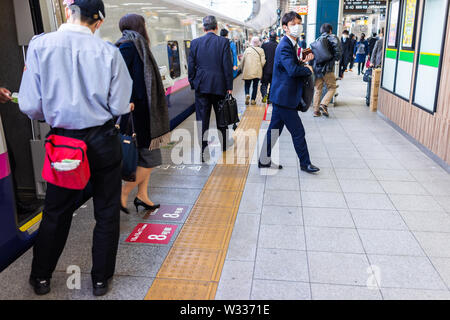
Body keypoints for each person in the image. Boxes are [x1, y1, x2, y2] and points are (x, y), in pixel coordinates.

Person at [18, 0, 133, 296]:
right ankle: (99, 281)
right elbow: (120, 105)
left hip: (65, 146)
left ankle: (41, 278)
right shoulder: (109, 52)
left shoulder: (40, 46)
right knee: (106, 212)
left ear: (69, 12)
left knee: (56, 211)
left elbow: (30, 105)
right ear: (98, 22)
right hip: (104, 141)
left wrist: (55, 110)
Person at [116, 14, 171, 215]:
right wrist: (128, 99)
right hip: (138, 114)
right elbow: (120, 78)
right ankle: (123, 195)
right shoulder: (128, 47)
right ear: (140, 26)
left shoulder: (135, 45)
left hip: (141, 110)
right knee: (151, 160)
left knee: (144, 159)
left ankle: (142, 196)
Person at [258, 11, 320, 174]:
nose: (297, 27)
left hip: (281, 97)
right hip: (285, 98)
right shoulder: (285, 45)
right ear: (285, 27)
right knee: (298, 132)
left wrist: (302, 61)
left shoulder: (292, 43)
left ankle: (263, 161)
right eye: (293, 24)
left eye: (299, 23)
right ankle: (305, 164)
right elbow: (292, 71)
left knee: (274, 131)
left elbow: (290, 66)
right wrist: (307, 69)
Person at [188, 16, 233, 159]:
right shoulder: (224, 42)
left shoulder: (195, 43)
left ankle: (203, 151)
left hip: (201, 87)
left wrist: (193, 83)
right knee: (222, 117)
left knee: (202, 119)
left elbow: (191, 67)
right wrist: (229, 86)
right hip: (219, 86)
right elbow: (227, 65)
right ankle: (224, 145)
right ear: (216, 28)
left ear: (203, 28)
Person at [312, 23, 342, 117]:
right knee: (332, 87)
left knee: (318, 89)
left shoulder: (317, 40)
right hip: (327, 68)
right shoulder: (332, 37)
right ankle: (324, 104)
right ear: (330, 30)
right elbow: (338, 52)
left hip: (317, 68)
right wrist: (335, 59)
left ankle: (316, 111)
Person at [240, 36, 266, 105]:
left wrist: (242, 69)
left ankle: (247, 94)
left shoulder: (247, 50)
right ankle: (253, 100)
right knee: (255, 86)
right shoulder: (261, 50)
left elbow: (242, 61)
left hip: (247, 70)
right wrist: (260, 67)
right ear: (258, 43)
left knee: (247, 85)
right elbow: (263, 62)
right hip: (257, 71)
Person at [261, 31, 278, 103]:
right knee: (273, 84)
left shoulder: (264, 45)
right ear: (276, 38)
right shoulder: (278, 45)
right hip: (275, 69)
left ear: (269, 37)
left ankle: (265, 94)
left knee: (264, 84)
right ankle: (270, 98)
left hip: (265, 69)